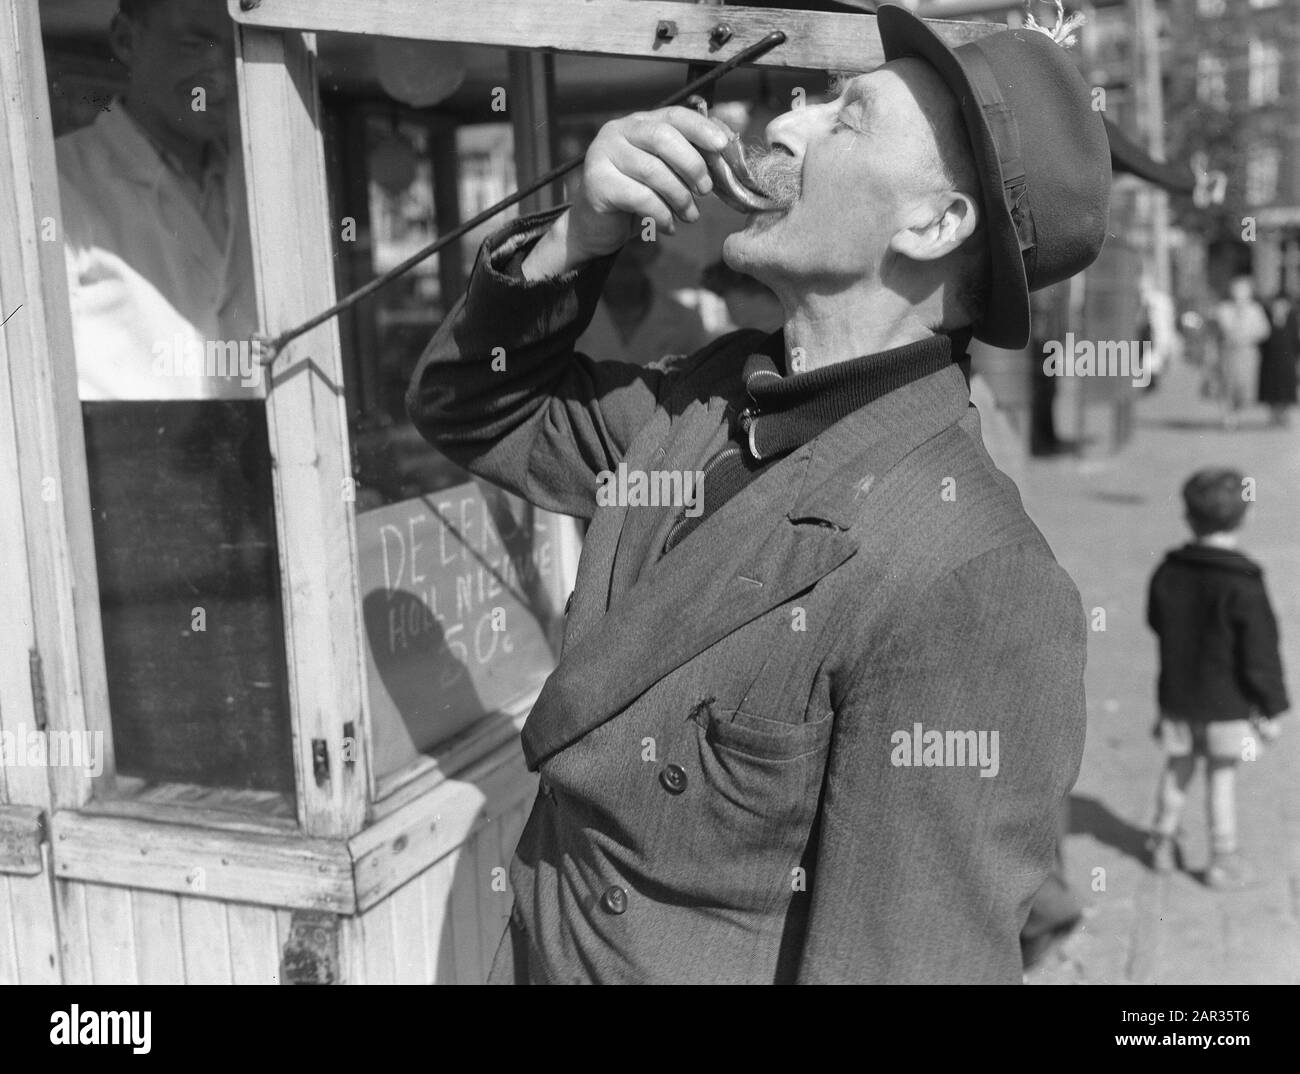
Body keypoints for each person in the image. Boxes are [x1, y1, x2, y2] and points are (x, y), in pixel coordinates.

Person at [408, 4, 1109, 982]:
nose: (785, 124)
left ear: (937, 221)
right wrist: (579, 231)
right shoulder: (701, 401)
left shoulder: (977, 581)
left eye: (847, 117)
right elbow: (471, 408)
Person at [1145, 468, 1289, 890]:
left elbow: (1156, 621)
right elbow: (1260, 652)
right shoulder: (1244, 580)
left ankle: (1161, 839)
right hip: (1227, 704)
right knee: (1220, 778)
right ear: (1243, 519)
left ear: (1188, 518)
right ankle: (1221, 858)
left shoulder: (1168, 570)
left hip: (1178, 695)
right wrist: (1271, 706)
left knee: (1177, 768)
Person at [576, 238, 709, 365]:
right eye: (614, 242)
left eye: (637, 242)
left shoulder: (688, 322)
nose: (625, 252)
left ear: (655, 251)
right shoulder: (567, 319)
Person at [1211, 277, 1270, 430]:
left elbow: (1264, 330)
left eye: (1243, 291)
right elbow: (1218, 331)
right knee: (1227, 386)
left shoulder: (1254, 309)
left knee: (1244, 389)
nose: (1239, 294)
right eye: (1237, 290)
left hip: (1247, 353)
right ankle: (1228, 417)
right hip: (1228, 353)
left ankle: (1236, 413)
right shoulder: (1223, 309)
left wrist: (1249, 337)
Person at [1258, 291, 1299, 427]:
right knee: (1271, 387)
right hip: (1270, 360)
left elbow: (1295, 340)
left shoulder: (1292, 319)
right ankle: (1273, 414)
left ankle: (1283, 414)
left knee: (1286, 387)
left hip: (1287, 360)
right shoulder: (1267, 317)